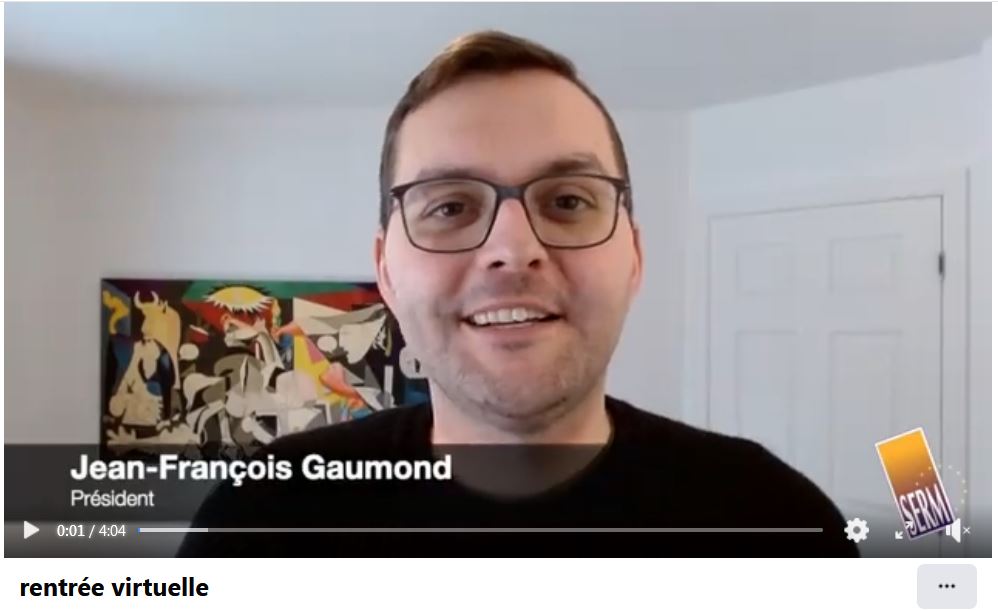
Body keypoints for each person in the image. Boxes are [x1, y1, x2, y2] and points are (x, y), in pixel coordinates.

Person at [179, 31, 859, 557]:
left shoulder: (777, 523)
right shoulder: (260, 520)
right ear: (386, 271)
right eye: (450, 207)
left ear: (634, 256)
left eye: (567, 201)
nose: (513, 247)